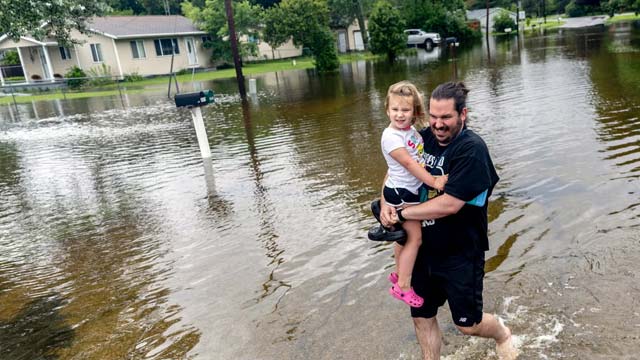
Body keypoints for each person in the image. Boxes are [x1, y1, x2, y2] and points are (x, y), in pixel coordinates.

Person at [377, 81, 518, 359]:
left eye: (446, 118)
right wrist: (385, 204)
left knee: (468, 325)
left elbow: (450, 204)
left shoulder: (472, 150)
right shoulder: (422, 137)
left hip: (460, 252)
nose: (438, 125)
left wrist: (402, 213)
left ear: (462, 114)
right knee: (422, 315)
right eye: (433, 116)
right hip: (422, 248)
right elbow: (398, 169)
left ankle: (502, 332)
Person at [378, 81, 447, 308]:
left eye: (405, 110)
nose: (399, 115)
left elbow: (417, 159)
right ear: (387, 109)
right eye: (395, 109)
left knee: (404, 237)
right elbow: (409, 164)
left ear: (414, 112)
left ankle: (399, 273)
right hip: (402, 193)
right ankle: (404, 286)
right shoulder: (391, 137)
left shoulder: (411, 132)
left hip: (406, 191)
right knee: (415, 239)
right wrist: (434, 181)